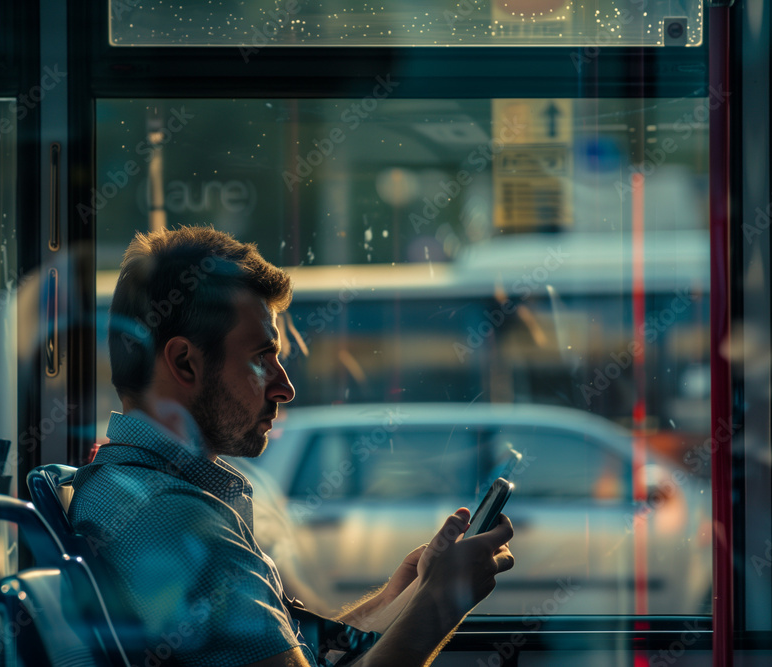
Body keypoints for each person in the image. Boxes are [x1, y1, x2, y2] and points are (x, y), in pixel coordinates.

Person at [69, 226, 514, 667]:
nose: (286, 387)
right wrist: (440, 603)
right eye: (262, 358)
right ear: (185, 362)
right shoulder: (180, 524)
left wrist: (402, 599)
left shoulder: (129, 489)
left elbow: (284, 655)